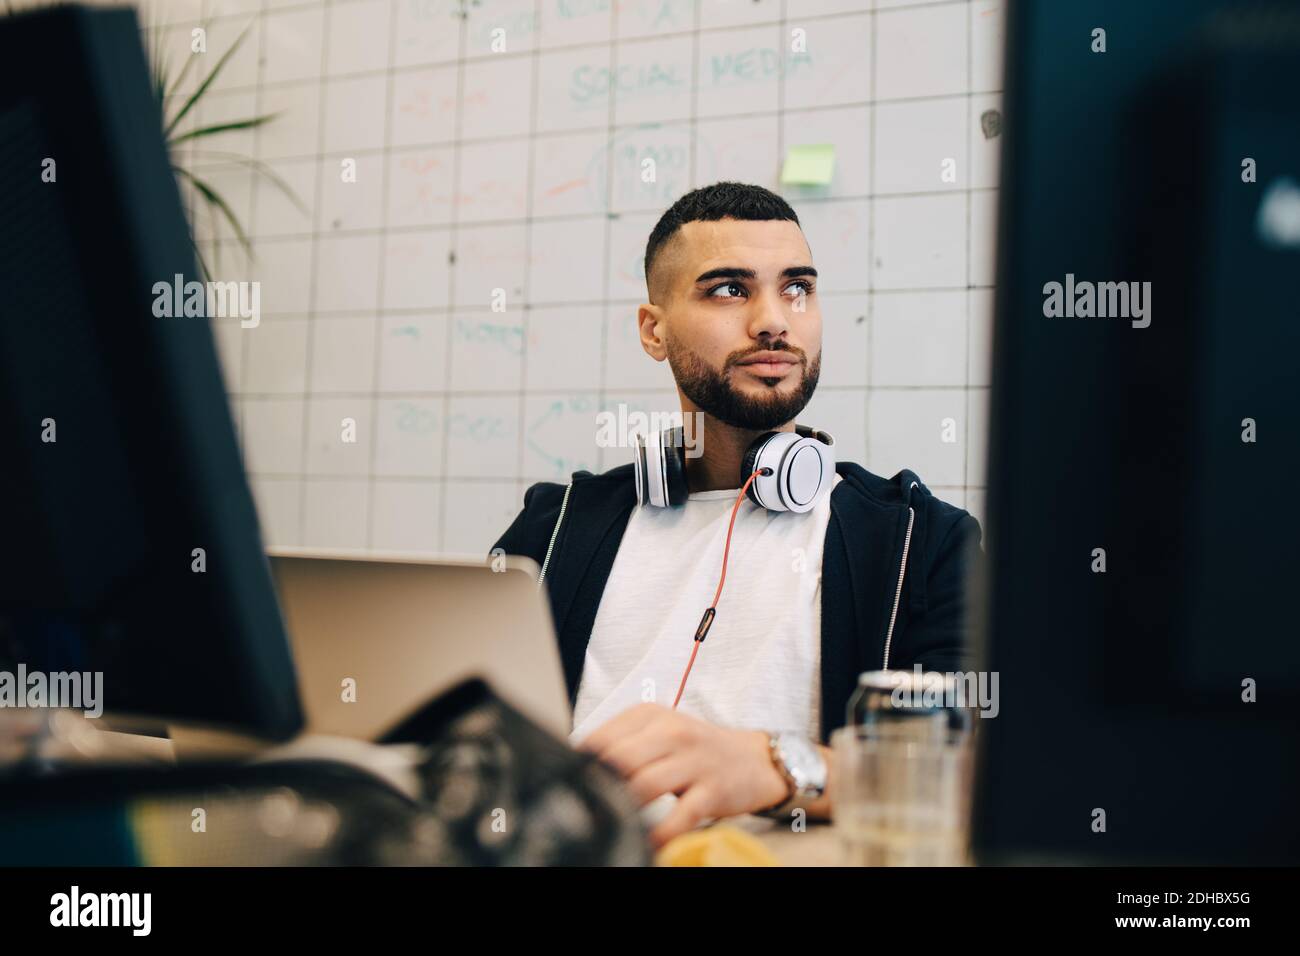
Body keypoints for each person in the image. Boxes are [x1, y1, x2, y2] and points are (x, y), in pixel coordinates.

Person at [492, 181, 981, 848]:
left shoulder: (920, 543)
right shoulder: (553, 529)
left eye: (797, 288)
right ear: (653, 330)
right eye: (729, 289)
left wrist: (780, 767)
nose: (774, 320)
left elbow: (980, 773)